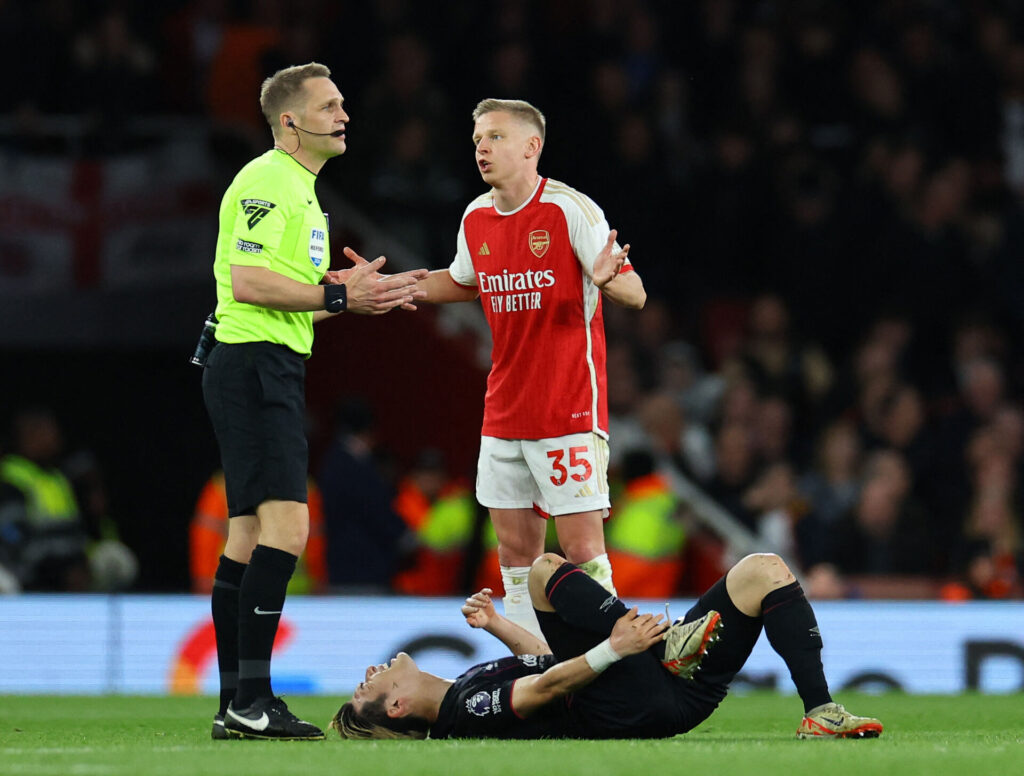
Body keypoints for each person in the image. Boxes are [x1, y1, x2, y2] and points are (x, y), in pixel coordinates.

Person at [199, 61, 427, 742]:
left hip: (259, 362)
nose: (344, 114)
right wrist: (337, 294)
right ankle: (251, 700)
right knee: (288, 530)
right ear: (290, 121)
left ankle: (237, 703)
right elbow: (247, 282)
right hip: (253, 367)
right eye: (329, 106)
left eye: (343, 103)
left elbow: (292, 303)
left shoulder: (303, 192)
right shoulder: (268, 178)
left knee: (247, 536)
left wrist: (357, 298)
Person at [412, 98, 647, 638]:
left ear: (530, 146)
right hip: (504, 413)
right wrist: (398, 286)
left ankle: (613, 669)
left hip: (567, 409)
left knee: (583, 552)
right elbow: (461, 279)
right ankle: (534, 672)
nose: (482, 150)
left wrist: (612, 279)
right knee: (516, 558)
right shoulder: (476, 217)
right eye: (476, 141)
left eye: (494, 137)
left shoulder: (570, 210)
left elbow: (635, 292)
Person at [331, 551, 883, 741]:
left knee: (763, 572)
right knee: (546, 570)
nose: (370, 672)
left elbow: (543, 664)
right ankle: (661, 649)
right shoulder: (466, 711)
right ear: (397, 706)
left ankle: (820, 711)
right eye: (366, 688)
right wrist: (619, 646)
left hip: (650, 691)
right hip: (629, 700)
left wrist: (499, 624)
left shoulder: (464, 692)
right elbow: (551, 683)